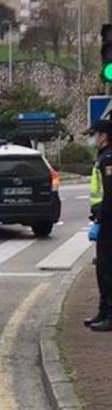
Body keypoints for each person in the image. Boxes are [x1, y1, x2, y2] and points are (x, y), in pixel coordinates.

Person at [86, 120, 112, 330]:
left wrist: (101, 219)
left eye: (95, 135)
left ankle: (109, 316)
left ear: (104, 136)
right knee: (102, 270)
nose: (93, 139)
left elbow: (109, 194)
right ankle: (103, 312)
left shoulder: (109, 158)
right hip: (104, 219)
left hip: (109, 222)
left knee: (107, 270)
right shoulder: (103, 157)